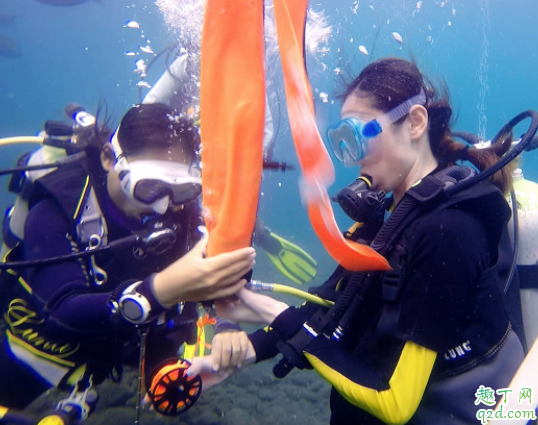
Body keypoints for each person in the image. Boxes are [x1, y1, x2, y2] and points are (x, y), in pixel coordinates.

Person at [191, 57, 526, 425]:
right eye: (342, 143)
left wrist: (273, 312)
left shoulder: (448, 230)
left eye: (359, 134)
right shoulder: (387, 218)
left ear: (415, 122)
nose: (353, 158)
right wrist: (246, 350)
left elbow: (396, 404)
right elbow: (332, 307)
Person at [0, 102, 253, 411]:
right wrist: (158, 291)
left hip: (132, 338)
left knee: (170, 394)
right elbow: (61, 310)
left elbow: (228, 264)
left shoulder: (183, 210)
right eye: (149, 188)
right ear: (109, 159)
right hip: (48, 341)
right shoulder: (58, 206)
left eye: (182, 190)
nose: (163, 207)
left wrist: (228, 323)